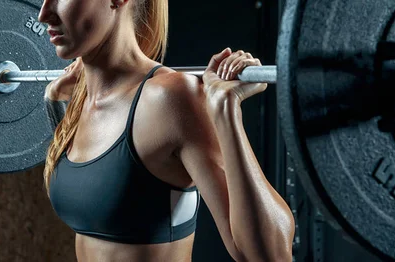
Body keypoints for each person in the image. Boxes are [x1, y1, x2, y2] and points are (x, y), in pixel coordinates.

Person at [39, 0, 295, 261]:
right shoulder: (78, 100)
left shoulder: (170, 98)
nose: (43, 14)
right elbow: (86, 192)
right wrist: (55, 101)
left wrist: (226, 112)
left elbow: (268, 255)